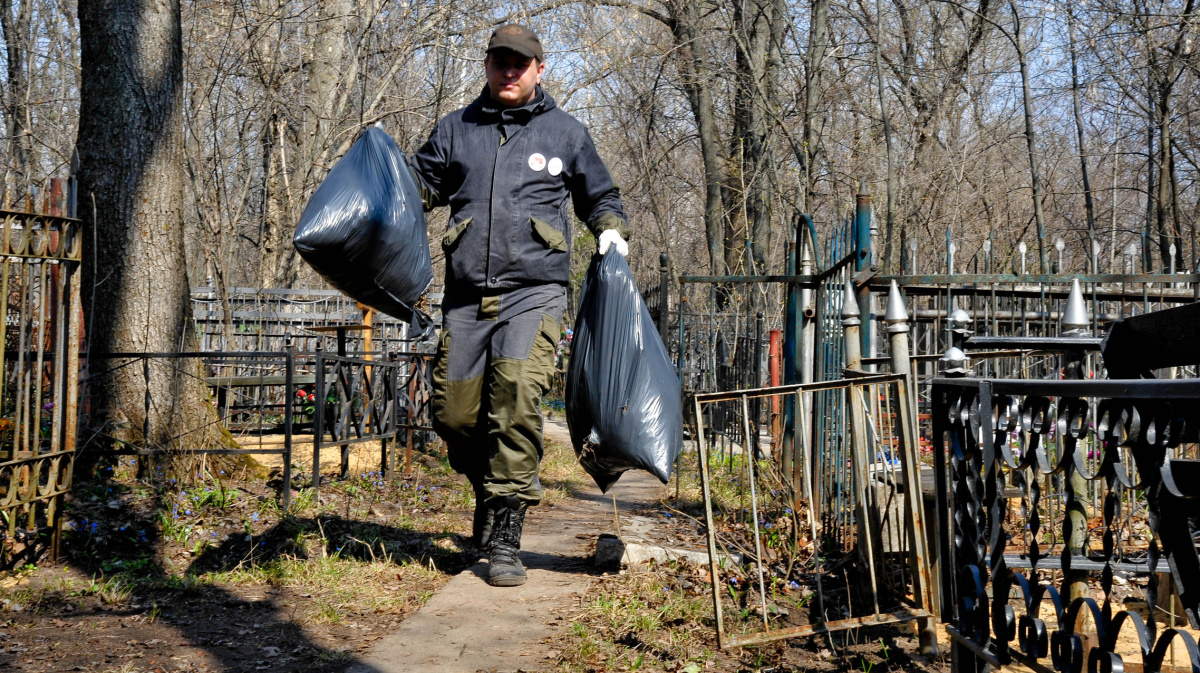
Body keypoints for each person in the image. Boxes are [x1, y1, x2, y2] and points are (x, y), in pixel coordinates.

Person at [407, 24, 630, 587]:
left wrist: (609, 231)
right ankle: (487, 488)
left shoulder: (566, 133)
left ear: (539, 69)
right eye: (500, 62)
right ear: (487, 66)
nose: (510, 72)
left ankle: (506, 535)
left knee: (515, 395)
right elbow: (417, 186)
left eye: (520, 63)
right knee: (453, 413)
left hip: (535, 291)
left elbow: (600, 196)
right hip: (464, 295)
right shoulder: (456, 129)